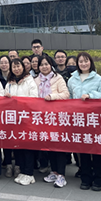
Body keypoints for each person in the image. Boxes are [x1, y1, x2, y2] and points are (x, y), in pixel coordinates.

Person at [67, 52, 101, 191]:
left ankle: (98, 179)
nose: (83, 64)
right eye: (81, 61)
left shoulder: (99, 79)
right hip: (78, 120)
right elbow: (69, 98)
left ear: (90, 62)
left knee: (96, 151)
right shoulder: (72, 80)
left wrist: (91, 95)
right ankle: (85, 178)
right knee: (82, 150)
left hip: (93, 120)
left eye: (86, 61)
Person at [35, 55, 70, 188]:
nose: (44, 67)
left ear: (51, 65)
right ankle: (54, 172)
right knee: (49, 145)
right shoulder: (36, 80)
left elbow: (66, 94)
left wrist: (52, 96)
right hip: (42, 118)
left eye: (46, 64)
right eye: (41, 64)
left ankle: (61, 175)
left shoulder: (58, 78)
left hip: (56, 117)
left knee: (58, 146)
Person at [4, 57, 38, 185]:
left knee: (27, 147)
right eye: (14, 67)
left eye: (18, 66)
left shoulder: (30, 81)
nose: (16, 69)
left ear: (23, 67)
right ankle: (23, 171)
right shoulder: (9, 83)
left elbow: (34, 98)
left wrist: (16, 99)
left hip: (27, 119)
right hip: (14, 120)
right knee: (17, 146)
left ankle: (29, 173)